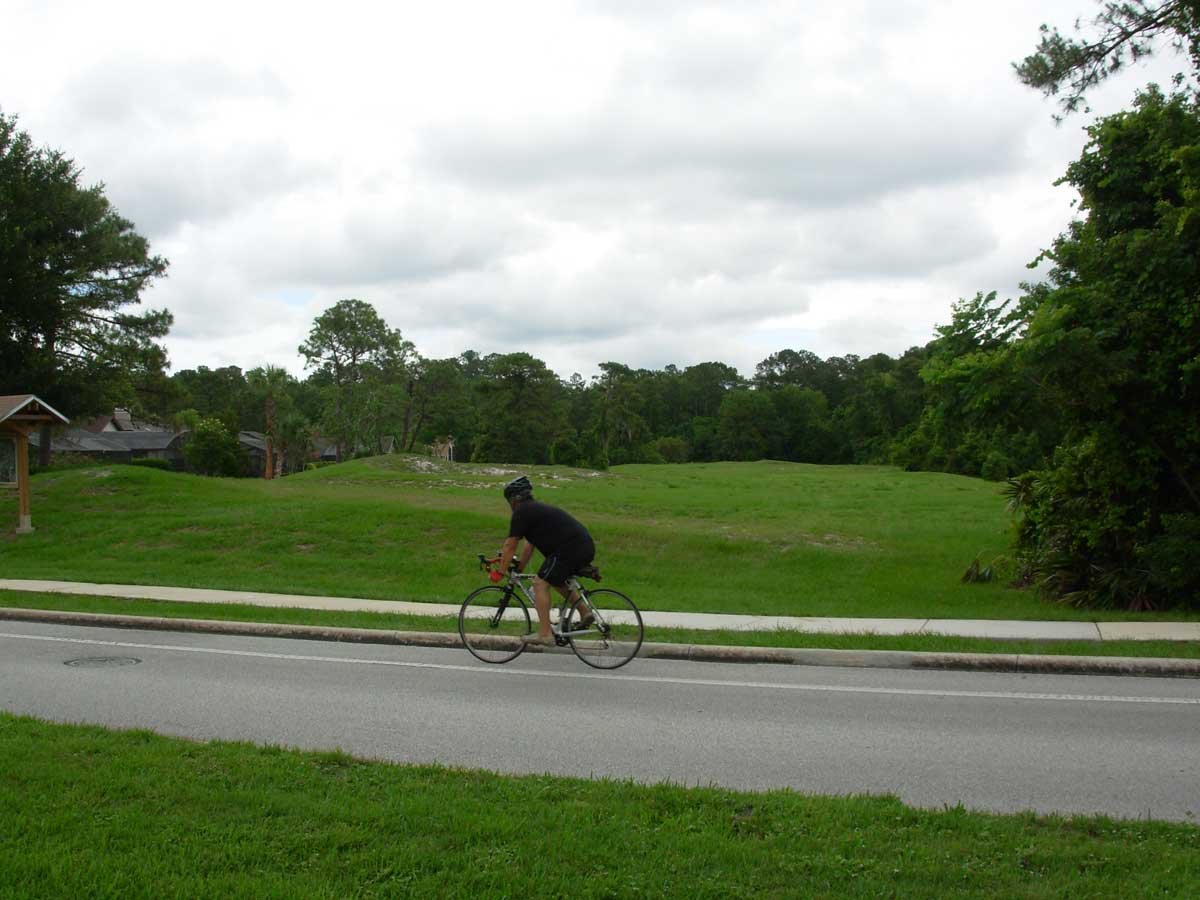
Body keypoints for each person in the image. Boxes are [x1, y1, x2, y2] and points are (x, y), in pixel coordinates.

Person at [495, 474, 595, 645]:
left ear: (514, 499)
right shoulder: (533, 510)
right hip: (581, 546)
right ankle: (585, 612)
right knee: (555, 580)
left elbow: (510, 545)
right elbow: (529, 545)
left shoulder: (522, 512)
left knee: (539, 584)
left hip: (569, 549)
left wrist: (500, 572)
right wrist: (519, 568)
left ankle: (544, 634)